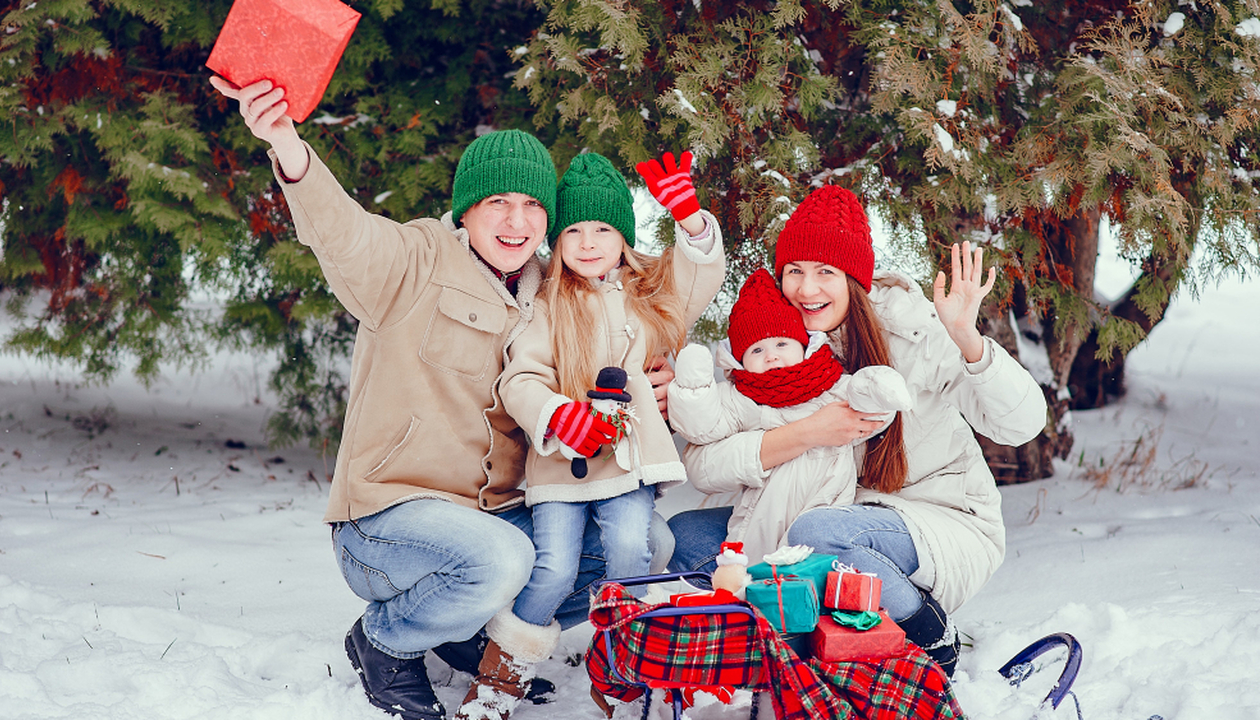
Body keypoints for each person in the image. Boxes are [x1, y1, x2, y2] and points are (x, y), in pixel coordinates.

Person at [207, 77, 676, 720]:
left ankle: (466, 636)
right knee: (504, 557)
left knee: (638, 540)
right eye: (498, 203)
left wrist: (653, 382)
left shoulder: (553, 296)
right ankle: (385, 641)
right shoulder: (413, 260)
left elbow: (624, 343)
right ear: (466, 209)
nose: (517, 222)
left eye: (533, 207)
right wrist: (287, 144)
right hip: (388, 523)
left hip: (496, 513)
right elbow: (343, 234)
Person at [667, 184, 1047, 675]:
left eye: (826, 272)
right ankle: (784, 648)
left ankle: (928, 635)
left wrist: (967, 339)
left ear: (854, 278)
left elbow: (1021, 425)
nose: (807, 290)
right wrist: (808, 432)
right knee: (685, 539)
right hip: (825, 511)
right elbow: (702, 461)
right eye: (794, 272)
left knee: (816, 535)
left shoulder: (912, 335)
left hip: (936, 520)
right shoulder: (775, 348)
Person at [468, 151, 725, 720]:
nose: (588, 243)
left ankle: (627, 669)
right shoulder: (546, 305)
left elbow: (699, 274)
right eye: (574, 231)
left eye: (603, 229)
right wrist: (559, 415)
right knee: (556, 566)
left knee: (631, 552)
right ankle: (500, 677)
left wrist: (690, 221)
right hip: (563, 465)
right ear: (556, 241)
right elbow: (522, 379)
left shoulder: (648, 297)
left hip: (628, 461)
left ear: (622, 237)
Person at [667, 266, 913, 562]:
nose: (771, 355)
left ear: (803, 344)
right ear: (740, 359)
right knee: (756, 577)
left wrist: (877, 389)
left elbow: (870, 413)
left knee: (818, 566)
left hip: (827, 511)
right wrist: (693, 390)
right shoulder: (743, 396)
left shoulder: (830, 384)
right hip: (762, 522)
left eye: (782, 344)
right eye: (757, 350)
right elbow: (702, 426)